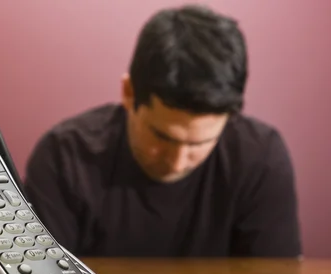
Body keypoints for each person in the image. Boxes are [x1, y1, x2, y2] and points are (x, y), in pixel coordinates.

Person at [23, 4, 302, 258]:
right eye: (162, 136)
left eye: (200, 144)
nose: (178, 162)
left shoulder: (261, 159)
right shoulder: (64, 156)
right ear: (129, 93)